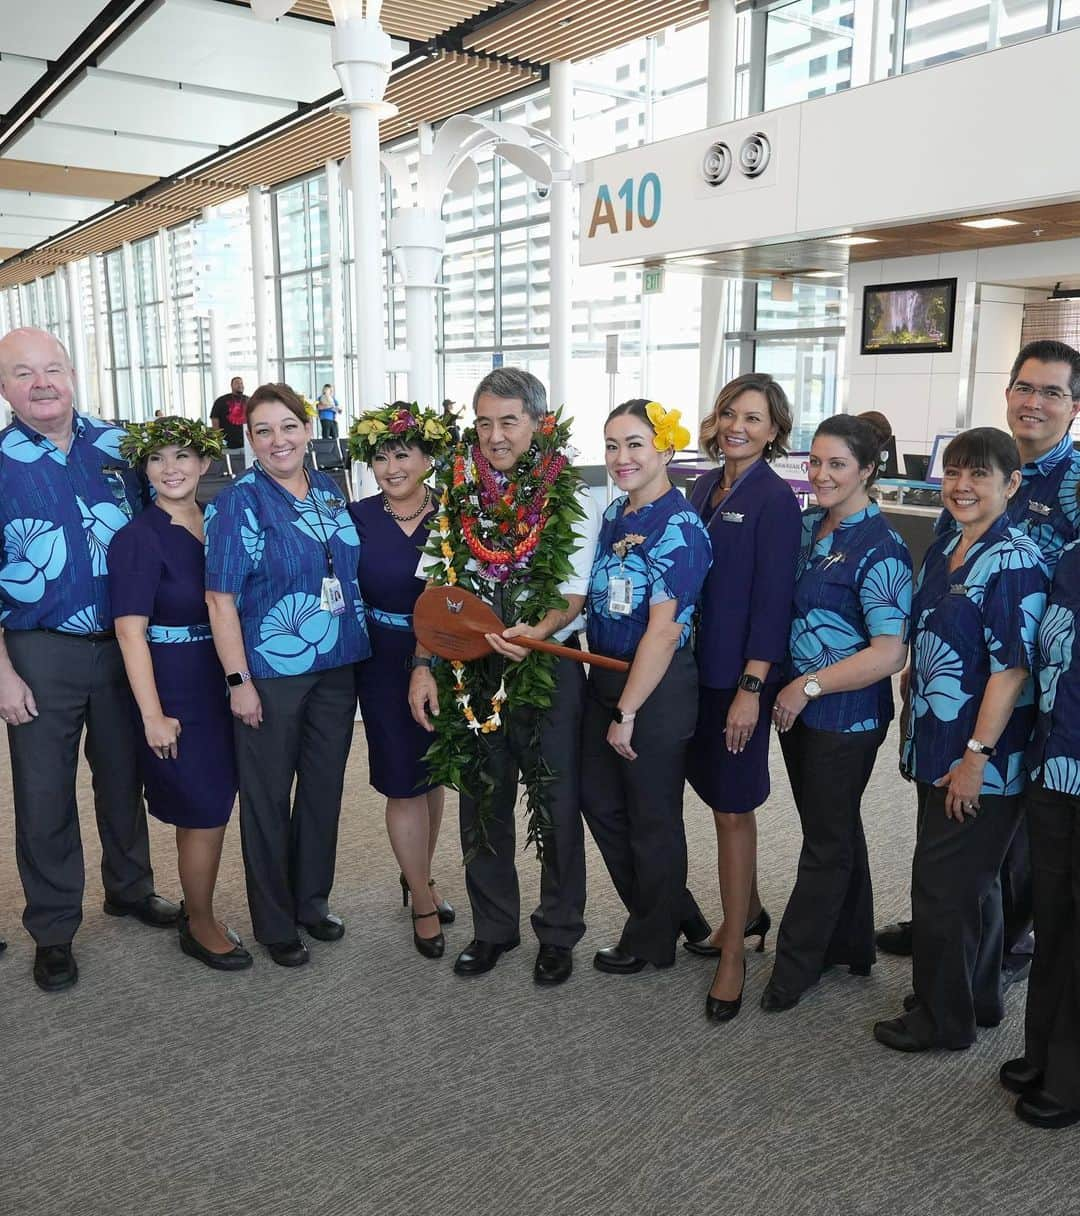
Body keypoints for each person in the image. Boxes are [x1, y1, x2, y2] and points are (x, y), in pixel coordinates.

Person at [877, 340, 1080, 980]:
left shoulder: (1073, 486)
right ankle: (954, 931)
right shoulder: (978, 466)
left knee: (1006, 833)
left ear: (1074, 406)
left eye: (1052, 392)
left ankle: (1003, 944)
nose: (1035, 402)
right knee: (951, 837)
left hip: (1034, 695)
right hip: (956, 683)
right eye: (1026, 387)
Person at [408, 367, 602, 986]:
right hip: (473, 672)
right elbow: (438, 593)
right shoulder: (457, 495)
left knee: (555, 798)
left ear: (539, 425)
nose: (495, 435)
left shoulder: (572, 496)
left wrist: (536, 633)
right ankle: (493, 927)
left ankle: (558, 930)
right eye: (484, 421)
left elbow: (570, 597)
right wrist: (423, 666)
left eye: (509, 421)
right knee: (481, 800)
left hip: (546, 667)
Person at [0, 327, 178, 993]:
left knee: (124, 779)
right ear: (4, 386)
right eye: (23, 372)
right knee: (45, 796)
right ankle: (52, 929)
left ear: (72, 373)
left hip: (127, 648)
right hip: (37, 652)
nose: (41, 382)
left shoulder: (120, 446)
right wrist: (2, 671)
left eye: (52, 368)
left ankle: (130, 889)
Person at [874, 427, 1047, 1053]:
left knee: (942, 888)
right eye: (954, 472)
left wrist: (975, 759)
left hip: (982, 758)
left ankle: (941, 1019)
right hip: (935, 741)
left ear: (1011, 483)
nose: (963, 485)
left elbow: (1011, 671)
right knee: (977, 881)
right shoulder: (950, 543)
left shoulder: (1015, 561)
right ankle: (978, 996)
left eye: (979, 474)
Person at [205, 383, 370, 967]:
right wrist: (237, 680)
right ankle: (275, 922)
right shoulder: (236, 502)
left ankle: (310, 901)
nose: (279, 440)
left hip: (337, 663)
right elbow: (220, 599)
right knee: (268, 798)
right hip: (269, 671)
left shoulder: (328, 489)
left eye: (288, 427)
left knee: (324, 791)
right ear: (249, 440)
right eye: (264, 431)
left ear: (308, 429)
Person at [763, 414, 911, 1014]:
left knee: (824, 841)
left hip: (845, 716)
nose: (821, 475)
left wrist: (810, 686)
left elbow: (889, 651)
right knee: (836, 824)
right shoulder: (805, 529)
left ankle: (796, 965)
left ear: (868, 471)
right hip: (798, 707)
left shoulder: (883, 548)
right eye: (815, 462)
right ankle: (852, 943)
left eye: (838, 465)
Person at [108, 416, 251, 972]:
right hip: (174, 685)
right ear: (144, 469)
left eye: (183, 457)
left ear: (205, 464)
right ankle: (199, 922)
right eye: (158, 459)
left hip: (222, 676)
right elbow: (129, 631)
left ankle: (199, 907)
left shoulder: (219, 522)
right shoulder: (138, 538)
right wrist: (153, 715)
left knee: (217, 801)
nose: (171, 469)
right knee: (204, 808)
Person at [683, 374, 802, 1022]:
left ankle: (735, 951)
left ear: (774, 431)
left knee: (734, 808)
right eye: (730, 412)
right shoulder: (704, 485)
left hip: (738, 681)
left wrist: (752, 689)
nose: (737, 426)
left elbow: (772, 602)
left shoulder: (775, 500)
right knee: (715, 798)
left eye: (753, 418)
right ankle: (748, 914)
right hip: (695, 672)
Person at [581, 399, 713, 978]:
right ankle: (673, 911)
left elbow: (663, 632)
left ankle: (652, 940)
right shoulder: (615, 516)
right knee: (600, 800)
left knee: (653, 815)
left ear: (665, 448)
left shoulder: (680, 527)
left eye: (634, 443)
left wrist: (628, 710)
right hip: (604, 674)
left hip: (653, 690)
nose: (621, 458)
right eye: (612, 446)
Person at [348, 403, 454, 959]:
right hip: (382, 660)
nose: (391, 467)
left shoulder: (455, 517)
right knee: (401, 781)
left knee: (433, 774)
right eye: (381, 457)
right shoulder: (357, 516)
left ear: (427, 458)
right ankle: (420, 899)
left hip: (445, 656)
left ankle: (422, 876)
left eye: (403, 454)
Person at [1002, 536, 1080, 1127]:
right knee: (1053, 914)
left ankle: (1071, 1075)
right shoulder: (1072, 555)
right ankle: (1043, 1052)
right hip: (1055, 762)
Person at [210, 376, 248, 450]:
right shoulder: (221, 401)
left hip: (245, 443)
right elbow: (214, 419)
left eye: (241, 383)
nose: (240, 385)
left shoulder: (248, 400)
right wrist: (218, 439)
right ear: (231, 386)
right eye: (237, 383)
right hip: (227, 443)